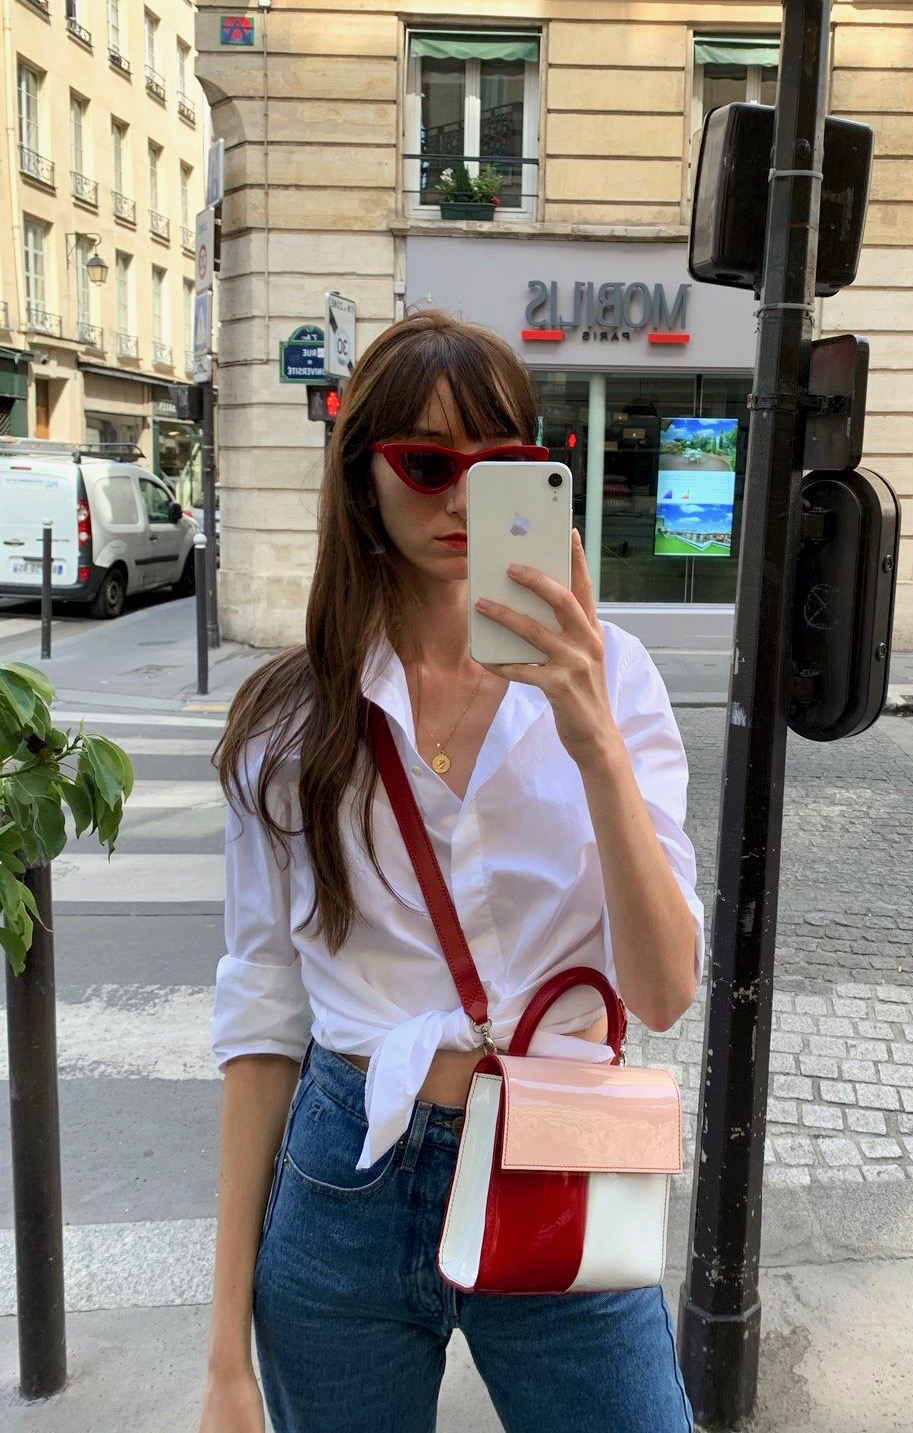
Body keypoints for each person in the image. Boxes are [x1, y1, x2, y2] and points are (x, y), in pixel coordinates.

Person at [199, 310, 706, 1433]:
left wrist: (590, 738)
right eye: (427, 464)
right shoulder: (291, 725)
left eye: (500, 466)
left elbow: (665, 988)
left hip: (558, 1148)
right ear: (364, 478)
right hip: (350, 1170)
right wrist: (222, 1355)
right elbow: (262, 1017)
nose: (461, 497)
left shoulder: (612, 678)